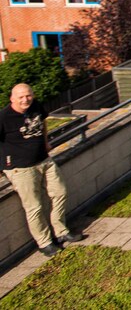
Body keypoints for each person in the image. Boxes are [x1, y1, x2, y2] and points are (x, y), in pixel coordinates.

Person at [0, 84, 86, 257]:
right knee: (34, 207)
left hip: (44, 160)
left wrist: (46, 142)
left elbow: (43, 122)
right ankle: (45, 243)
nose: (26, 100)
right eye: (21, 97)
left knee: (60, 192)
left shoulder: (36, 106)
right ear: (12, 98)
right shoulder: (3, 117)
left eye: (28, 95)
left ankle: (61, 232)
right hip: (21, 168)